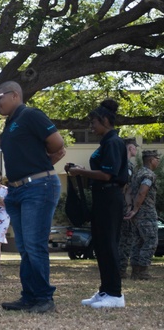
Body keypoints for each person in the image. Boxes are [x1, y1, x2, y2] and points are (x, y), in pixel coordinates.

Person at [0, 81, 65, 314]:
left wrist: (38, 169)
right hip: (17, 190)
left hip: (38, 187)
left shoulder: (31, 115)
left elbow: (58, 144)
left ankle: (45, 299)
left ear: (15, 95)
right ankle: (30, 296)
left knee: (34, 245)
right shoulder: (10, 123)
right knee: (24, 248)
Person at [66, 99, 129, 308]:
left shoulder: (113, 142)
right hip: (103, 198)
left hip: (110, 198)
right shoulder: (106, 142)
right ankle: (105, 290)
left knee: (109, 244)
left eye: (93, 123)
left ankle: (115, 294)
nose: (91, 127)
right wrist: (81, 169)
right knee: (101, 245)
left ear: (104, 121)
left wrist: (81, 171)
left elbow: (108, 174)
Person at [122, 149, 160, 280]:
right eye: (157, 159)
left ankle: (135, 272)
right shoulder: (148, 175)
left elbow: (128, 192)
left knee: (138, 241)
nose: (158, 161)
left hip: (136, 215)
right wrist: (136, 208)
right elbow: (142, 192)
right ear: (151, 160)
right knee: (151, 240)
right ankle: (142, 271)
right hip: (146, 213)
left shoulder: (137, 173)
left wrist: (129, 207)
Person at [118, 139, 140, 276]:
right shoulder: (128, 166)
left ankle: (118, 267)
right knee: (126, 239)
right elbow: (126, 188)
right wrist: (130, 207)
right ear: (130, 148)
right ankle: (121, 269)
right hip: (123, 206)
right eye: (135, 148)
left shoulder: (117, 162)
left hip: (114, 204)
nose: (136, 151)